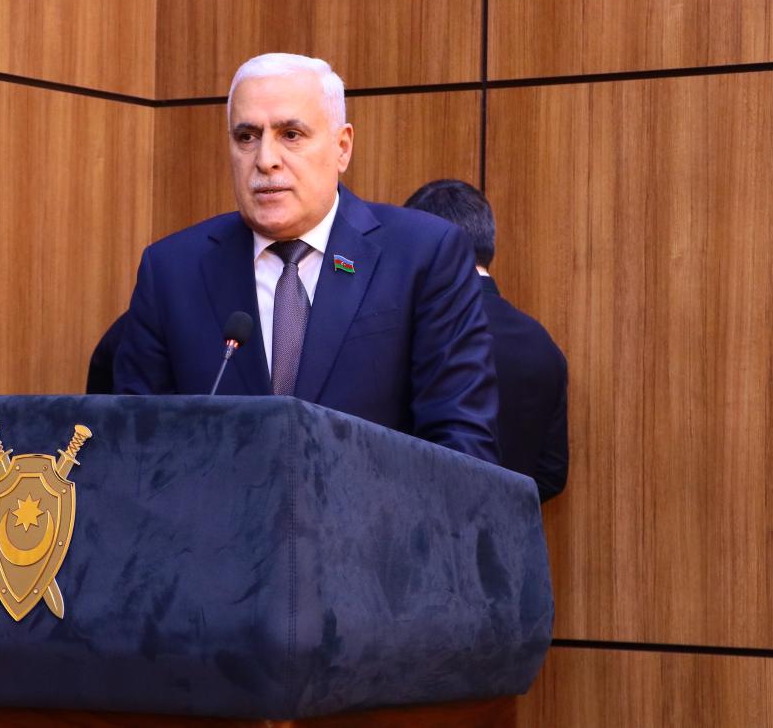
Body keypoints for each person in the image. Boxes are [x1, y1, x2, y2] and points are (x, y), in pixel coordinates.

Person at [112, 53, 499, 464]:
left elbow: (462, 444)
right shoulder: (172, 271)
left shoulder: (423, 255)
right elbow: (135, 446)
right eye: (247, 137)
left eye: (291, 134)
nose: (265, 159)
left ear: (342, 147)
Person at [404, 179, 568, 500]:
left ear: (424, 244)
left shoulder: (415, 329)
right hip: (507, 528)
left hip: (417, 521)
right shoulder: (543, 344)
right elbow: (551, 474)